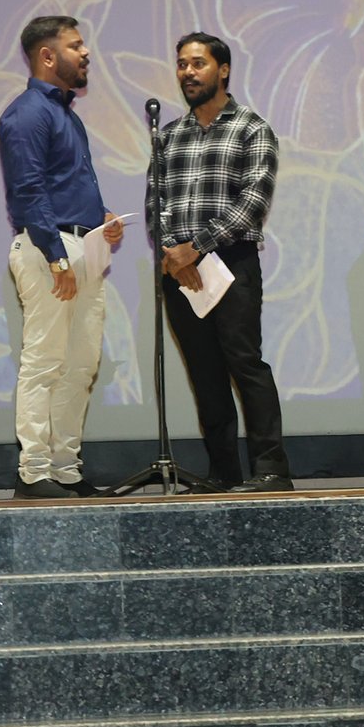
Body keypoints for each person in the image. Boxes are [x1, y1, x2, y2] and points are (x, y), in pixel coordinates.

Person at [147, 31, 290, 492]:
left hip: (231, 263)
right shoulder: (169, 136)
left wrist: (198, 246)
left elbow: (253, 202)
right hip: (179, 268)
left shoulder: (252, 128)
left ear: (223, 70)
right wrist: (175, 252)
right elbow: (156, 204)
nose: (188, 73)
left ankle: (271, 470)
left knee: (245, 364)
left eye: (198, 64)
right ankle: (223, 473)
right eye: (182, 65)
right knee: (204, 374)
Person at [0, 15, 125, 499]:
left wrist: (102, 218)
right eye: (76, 45)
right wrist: (56, 257)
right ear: (48, 56)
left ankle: (65, 470)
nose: (86, 52)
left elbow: (61, 186)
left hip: (82, 246)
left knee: (80, 367)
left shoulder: (66, 115)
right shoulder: (27, 114)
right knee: (45, 363)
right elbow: (27, 190)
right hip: (49, 249)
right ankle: (33, 472)